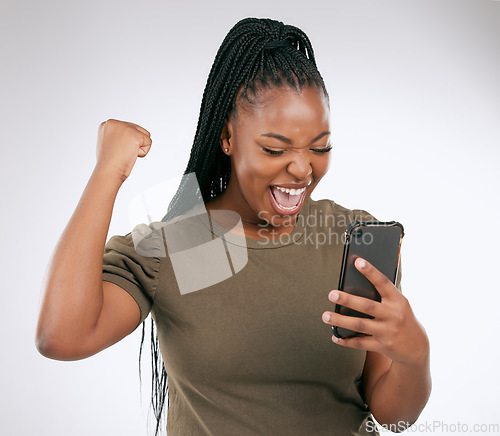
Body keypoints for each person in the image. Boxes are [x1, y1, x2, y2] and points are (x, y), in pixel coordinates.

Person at [36, 17, 431, 435]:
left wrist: (415, 353)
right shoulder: (183, 245)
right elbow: (62, 336)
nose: (302, 169)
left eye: (320, 147)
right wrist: (108, 172)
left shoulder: (355, 241)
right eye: (275, 148)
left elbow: (395, 418)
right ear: (227, 137)